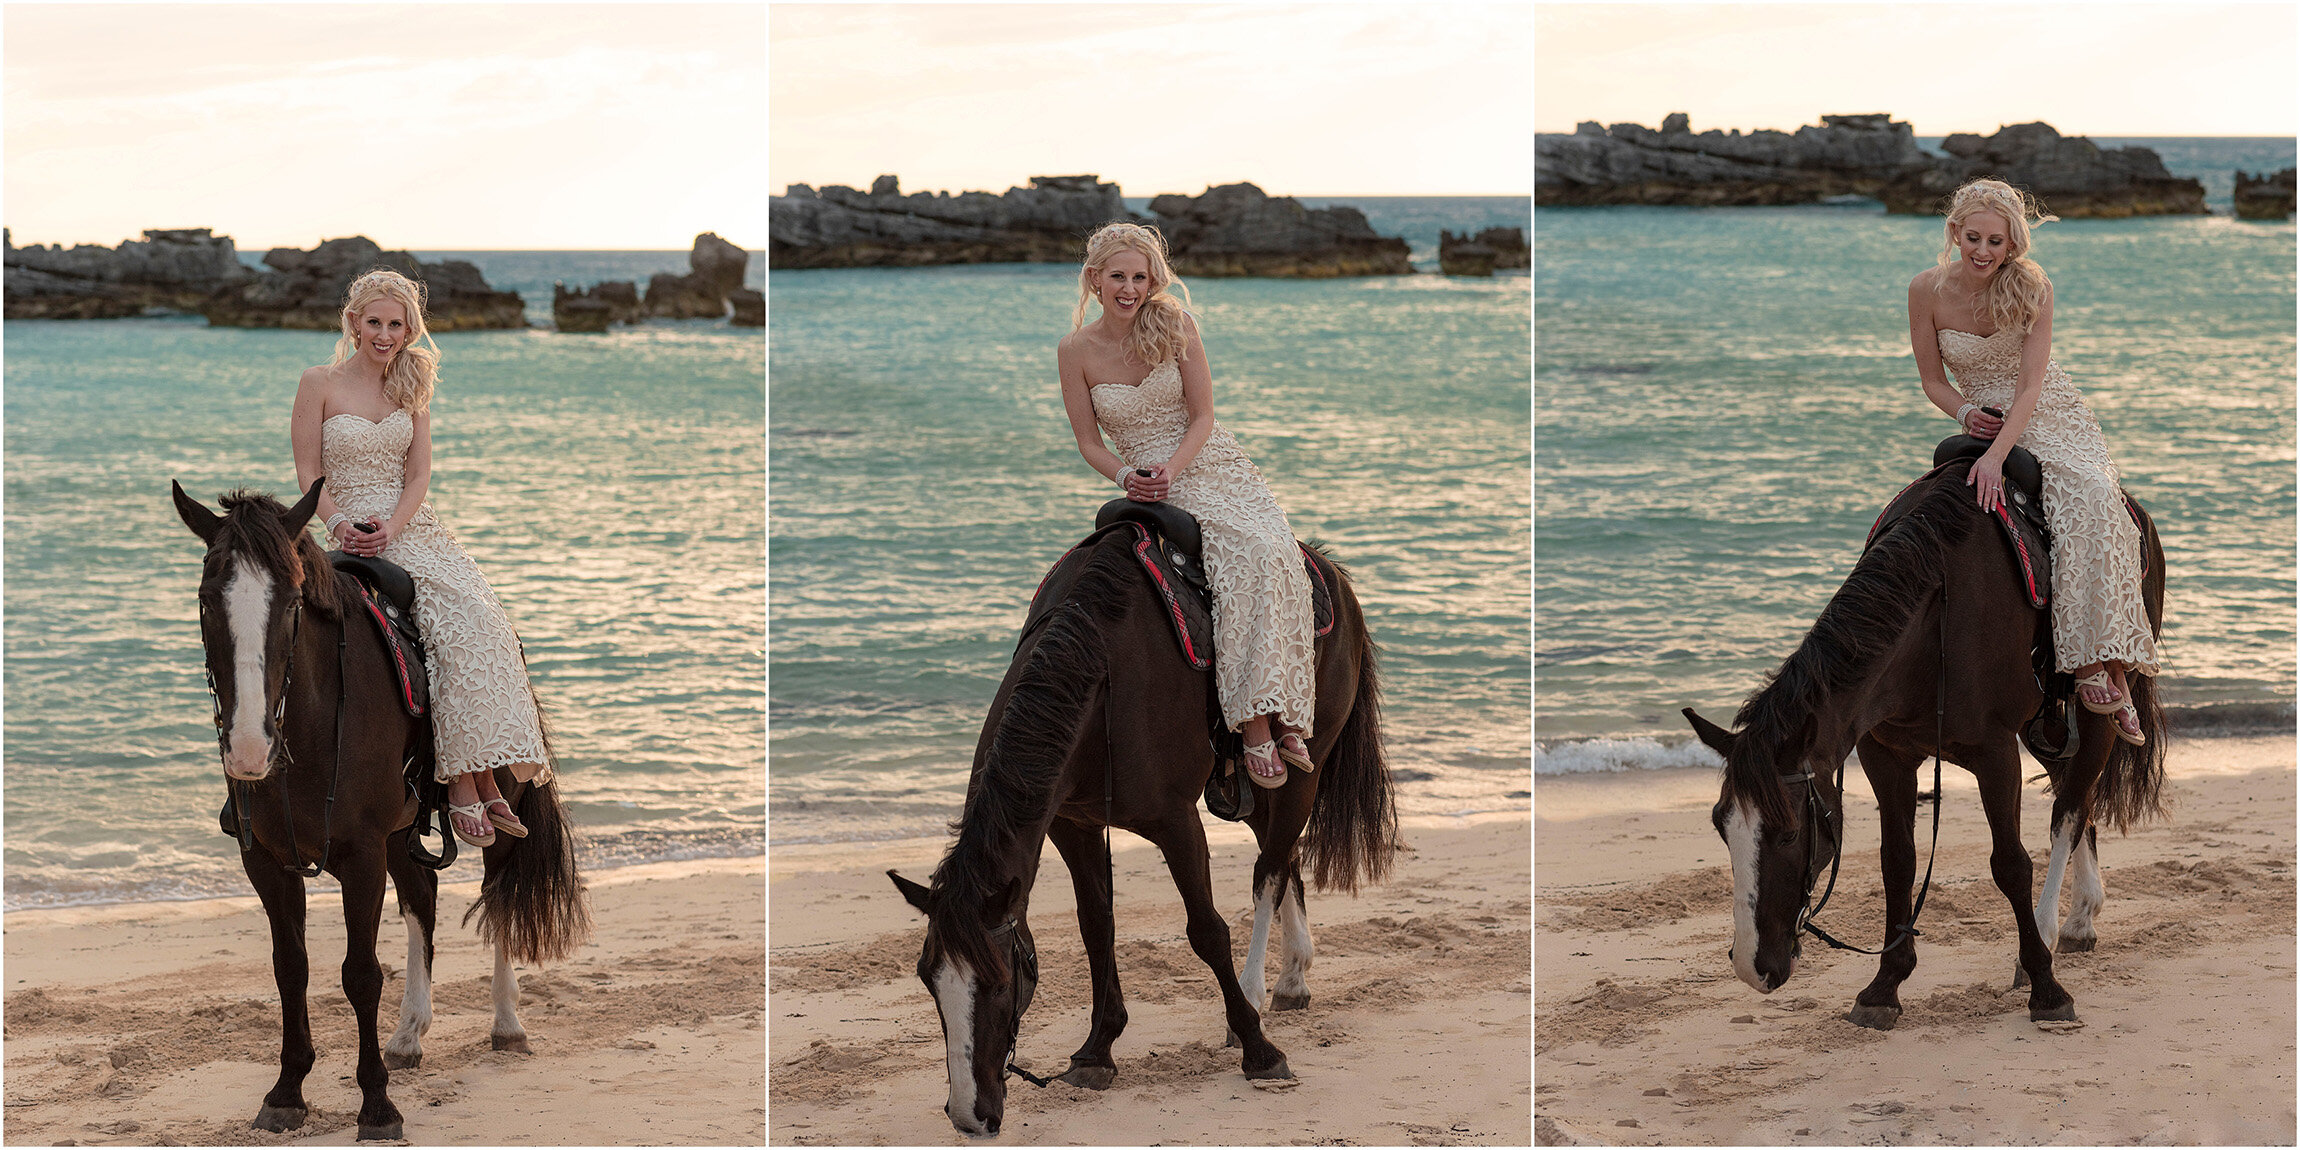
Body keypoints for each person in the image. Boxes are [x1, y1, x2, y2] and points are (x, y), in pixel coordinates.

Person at [290, 268, 552, 845]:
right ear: (354, 321)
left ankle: (480, 780)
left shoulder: (412, 385)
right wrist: (337, 523)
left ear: (410, 330)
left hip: (411, 527)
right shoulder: (319, 382)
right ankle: (466, 787)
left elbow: (419, 473)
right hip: (346, 523)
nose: (384, 335)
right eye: (375, 322)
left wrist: (395, 525)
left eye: (396, 325)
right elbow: (309, 472)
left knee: (480, 623)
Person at [1056, 222, 1317, 786]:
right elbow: (1088, 442)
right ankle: (1255, 724)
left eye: (1140, 277)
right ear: (1094, 280)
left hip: (1209, 462)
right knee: (1240, 556)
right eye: (1118, 276)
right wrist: (1128, 475)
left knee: (1269, 549)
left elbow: (1203, 416)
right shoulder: (1074, 350)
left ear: (1153, 281)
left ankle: (1278, 714)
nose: (1129, 288)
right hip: (1141, 476)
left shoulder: (1176, 325)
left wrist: (1173, 470)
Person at [1906, 178, 2158, 744]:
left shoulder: (2034, 288)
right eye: (1974, 238)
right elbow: (1930, 378)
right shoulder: (1924, 289)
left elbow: (2029, 388)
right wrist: (1964, 412)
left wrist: (1997, 457)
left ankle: (2102, 663)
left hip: (2048, 413)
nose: (1983, 252)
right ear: (1955, 233)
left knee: (2092, 497)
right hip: (1983, 414)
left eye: (1997, 242)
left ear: (2012, 243)